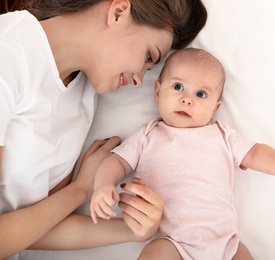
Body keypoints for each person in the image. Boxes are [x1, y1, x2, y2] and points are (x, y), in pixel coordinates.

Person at [0, 0, 207, 259]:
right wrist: (79, 191)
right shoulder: (8, 52)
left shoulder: (84, 96)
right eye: (148, 57)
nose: (138, 80)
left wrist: (136, 229)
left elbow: (41, 225)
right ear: (119, 12)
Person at [90, 48, 275, 259]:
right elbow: (117, 162)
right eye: (178, 87)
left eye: (201, 94)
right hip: (170, 242)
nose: (187, 99)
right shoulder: (148, 135)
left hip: (224, 243)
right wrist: (103, 185)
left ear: (215, 108)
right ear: (157, 92)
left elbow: (254, 153)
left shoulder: (222, 135)